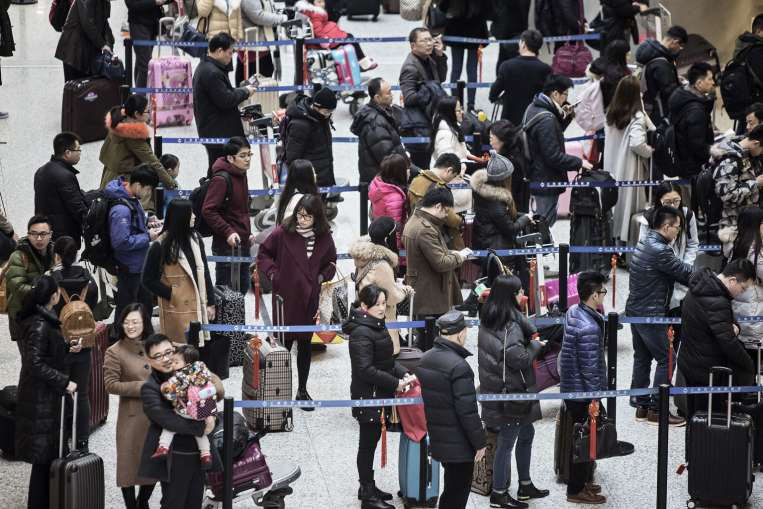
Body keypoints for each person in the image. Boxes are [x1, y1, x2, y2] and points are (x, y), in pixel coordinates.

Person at [257, 194, 337, 405]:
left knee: (305, 345)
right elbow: (263, 254)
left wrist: (321, 276)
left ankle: (302, 390)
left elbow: (331, 262)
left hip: (309, 297)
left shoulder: (324, 236)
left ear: (316, 218)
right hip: (286, 297)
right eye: (300, 215)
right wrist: (274, 274)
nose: (301, 220)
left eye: (307, 217)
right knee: (283, 346)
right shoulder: (283, 232)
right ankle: (279, 391)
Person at [478, 275, 549, 508]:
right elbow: (518, 358)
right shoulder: (510, 326)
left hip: (500, 388)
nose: (523, 296)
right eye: (519, 292)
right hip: (512, 393)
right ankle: (499, 493)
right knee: (506, 444)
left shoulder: (491, 315)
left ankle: (525, 484)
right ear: (511, 296)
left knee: (527, 434)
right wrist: (537, 345)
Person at [343, 284, 411, 509]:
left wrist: (404, 373)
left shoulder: (375, 325)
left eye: (384, 303)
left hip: (377, 394)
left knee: (371, 442)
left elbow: (387, 362)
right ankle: (366, 493)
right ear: (364, 306)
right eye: (377, 304)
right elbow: (365, 370)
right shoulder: (362, 332)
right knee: (367, 444)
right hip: (368, 396)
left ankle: (369, 486)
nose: (382, 308)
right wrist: (396, 384)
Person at [14, 276, 80, 509]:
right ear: (53, 296)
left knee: (46, 460)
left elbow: (43, 355)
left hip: (42, 397)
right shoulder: (41, 324)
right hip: (41, 400)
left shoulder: (41, 319)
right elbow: (34, 363)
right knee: (44, 461)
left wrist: (66, 348)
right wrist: (64, 382)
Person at [138, 333, 222, 509]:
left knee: (194, 501)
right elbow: (169, 421)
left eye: (168, 352)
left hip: (198, 455)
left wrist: (211, 416)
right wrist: (202, 426)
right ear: (149, 360)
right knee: (174, 502)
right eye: (159, 356)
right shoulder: (150, 388)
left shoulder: (189, 370)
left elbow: (216, 391)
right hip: (175, 456)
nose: (166, 359)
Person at [626, 206, 693, 425]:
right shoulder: (661, 250)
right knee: (667, 357)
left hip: (636, 309)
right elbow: (685, 273)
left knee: (642, 357)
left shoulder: (645, 241)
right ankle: (658, 409)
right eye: (677, 227)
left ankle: (641, 406)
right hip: (651, 313)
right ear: (666, 227)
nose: (678, 231)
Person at [416, 311, 486, 509]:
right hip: (460, 445)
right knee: (457, 494)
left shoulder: (425, 359)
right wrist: (480, 443)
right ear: (460, 334)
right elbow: (467, 412)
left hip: (440, 438)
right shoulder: (459, 367)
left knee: (450, 490)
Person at [679, 259, 756, 420]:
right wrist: (749, 365)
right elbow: (728, 342)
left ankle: (694, 443)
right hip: (708, 371)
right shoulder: (717, 300)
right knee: (709, 420)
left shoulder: (701, 286)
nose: (741, 293)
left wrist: (735, 327)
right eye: (742, 288)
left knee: (695, 417)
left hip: (690, 361)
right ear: (732, 280)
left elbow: (721, 325)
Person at [561, 271, 609, 505]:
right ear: (592, 295)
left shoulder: (574, 311)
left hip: (573, 387)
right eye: (602, 292)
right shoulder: (589, 327)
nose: (604, 296)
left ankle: (584, 481)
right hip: (583, 393)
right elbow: (590, 367)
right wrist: (595, 398)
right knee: (584, 440)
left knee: (583, 437)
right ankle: (576, 489)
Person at [141, 199, 216, 349]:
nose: (194, 216)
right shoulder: (160, 245)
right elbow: (148, 279)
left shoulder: (196, 239)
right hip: (176, 309)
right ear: (181, 217)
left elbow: (205, 271)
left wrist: (211, 302)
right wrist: (173, 294)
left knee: (197, 348)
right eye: (191, 213)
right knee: (178, 350)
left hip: (198, 304)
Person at [104, 303, 157, 509]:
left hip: (154, 415)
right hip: (131, 416)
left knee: (152, 464)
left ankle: (142, 502)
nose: (130, 326)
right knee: (128, 464)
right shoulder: (114, 351)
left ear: (144, 323)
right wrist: (141, 387)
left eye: (135, 322)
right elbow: (110, 385)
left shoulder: (153, 346)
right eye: (126, 322)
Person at [402, 187, 467, 351]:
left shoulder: (416, 220)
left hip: (425, 291)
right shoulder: (425, 229)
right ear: (438, 206)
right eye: (446, 211)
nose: (446, 215)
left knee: (425, 340)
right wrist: (460, 257)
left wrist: (449, 252)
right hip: (431, 295)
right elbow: (441, 263)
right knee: (431, 345)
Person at [49, 236, 97, 451]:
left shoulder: (51, 279)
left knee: (59, 392)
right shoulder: (88, 277)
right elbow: (97, 306)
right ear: (76, 254)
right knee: (82, 394)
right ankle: (82, 441)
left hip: (59, 345)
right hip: (84, 342)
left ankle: (60, 441)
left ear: (56, 255)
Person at [524, 74, 592, 227]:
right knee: (544, 225)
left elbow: (550, 136)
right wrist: (579, 162)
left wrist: (565, 116)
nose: (566, 99)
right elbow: (553, 156)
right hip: (545, 177)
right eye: (565, 94)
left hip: (538, 174)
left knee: (541, 222)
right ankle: (540, 251)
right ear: (555, 94)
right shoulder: (547, 119)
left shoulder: (535, 107)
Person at [99, 95, 178, 213]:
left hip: (109, 175)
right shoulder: (132, 134)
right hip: (127, 181)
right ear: (136, 114)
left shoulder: (118, 122)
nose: (150, 113)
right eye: (147, 111)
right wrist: (171, 183)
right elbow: (152, 162)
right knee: (137, 214)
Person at [193, 32, 257, 169]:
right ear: (219, 50)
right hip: (218, 132)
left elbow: (223, 93)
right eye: (230, 52)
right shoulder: (212, 73)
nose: (231, 56)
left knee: (217, 169)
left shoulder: (207, 67)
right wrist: (245, 92)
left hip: (213, 129)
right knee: (221, 170)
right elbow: (226, 99)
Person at [349, 217, 413, 354]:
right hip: (381, 325)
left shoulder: (364, 256)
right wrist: (404, 291)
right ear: (388, 238)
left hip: (366, 320)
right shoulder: (381, 265)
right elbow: (391, 297)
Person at [104, 166, 160, 320]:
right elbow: (121, 242)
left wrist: (147, 221)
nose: (148, 193)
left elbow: (132, 224)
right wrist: (148, 237)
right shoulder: (121, 209)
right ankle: (120, 340)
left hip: (138, 265)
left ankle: (144, 338)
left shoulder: (130, 198)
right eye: (148, 189)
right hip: (129, 267)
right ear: (137, 185)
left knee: (145, 306)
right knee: (127, 310)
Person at [470, 152, 532, 291]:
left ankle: (473, 301)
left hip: (486, 240)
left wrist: (524, 215)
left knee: (487, 276)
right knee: (495, 279)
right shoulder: (495, 201)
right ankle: (475, 301)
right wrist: (526, 218)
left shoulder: (483, 191)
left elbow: (503, 216)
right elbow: (510, 227)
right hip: (495, 244)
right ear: (504, 178)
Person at [604, 75, 655, 244]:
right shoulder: (637, 116)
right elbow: (637, 144)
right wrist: (650, 151)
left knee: (614, 206)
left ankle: (614, 244)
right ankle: (626, 246)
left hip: (612, 166)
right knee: (629, 208)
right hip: (630, 168)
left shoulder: (611, 113)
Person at [201, 137, 254, 293]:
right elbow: (208, 210)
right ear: (230, 158)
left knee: (242, 289)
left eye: (249, 154)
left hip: (242, 243)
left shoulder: (241, 173)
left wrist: (247, 233)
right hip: (227, 247)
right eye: (243, 156)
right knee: (226, 295)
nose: (247, 159)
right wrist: (228, 231)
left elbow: (240, 209)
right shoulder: (221, 179)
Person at [152, 345, 216, 467]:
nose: (173, 364)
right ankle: (206, 455)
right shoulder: (203, 371)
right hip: (202, 411)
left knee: (169, 428)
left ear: (187, 363)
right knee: (200, 434)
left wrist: (164, 388)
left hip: (185, 412)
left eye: (176, 362)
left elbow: (170, 395)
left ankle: (163, 448)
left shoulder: (179, 376)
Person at [638, 182, 699, 309]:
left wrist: (685, 265)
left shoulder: (687, 215)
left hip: (681, 275)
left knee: (678, 313)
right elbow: (643, 248)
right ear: (659, 200)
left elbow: (693, 243)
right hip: (656, 277)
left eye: (676, 201)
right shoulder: (649, 217)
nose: (672, 206)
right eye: (667, 202)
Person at [399, 27, 448, 169]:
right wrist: (429, 90)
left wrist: (439, 56)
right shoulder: (410, 67)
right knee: (420, 166)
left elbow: (441, 79)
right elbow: (408, 98)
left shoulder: (429, 59)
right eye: (424, 40)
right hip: (418, 125)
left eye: (430, 40)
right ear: (413, 45)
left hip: (430, 118)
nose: (429, 44)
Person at [6, 215, 55, 352]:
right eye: (34, 234)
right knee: (31, 362)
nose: (39, 238)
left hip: (48, 315)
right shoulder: (18, 256)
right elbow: (18, 287)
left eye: (43, 234)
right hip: (25, 318)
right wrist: (43, 291)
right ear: (28, 234)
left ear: (50, 235)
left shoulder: (55, 252)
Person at [34, 132, 88, 249]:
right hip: (64, 236)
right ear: (67, 153)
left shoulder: (41, 171)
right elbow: (77, 208)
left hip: (45, 230)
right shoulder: (65, 175)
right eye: (78, 150)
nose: (80, 153)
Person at [350, 77, 407, 184]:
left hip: (384, 178)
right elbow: (388, 157)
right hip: (383, 183)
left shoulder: (384, 113)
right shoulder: (375, 123)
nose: (392, 95)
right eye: (388, 93)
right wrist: (408, 169)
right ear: (377, 97)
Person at [489, 29, 551, 127]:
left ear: (523, 44)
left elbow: (493, 92)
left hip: (510, 120)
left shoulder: (507, 66)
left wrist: (498, 98)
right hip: (534, 120)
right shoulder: (545, 69)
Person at [712, 125, 763, 243]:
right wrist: (755, 184)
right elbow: (727, 194)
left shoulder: (747, 155)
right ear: (755, 143)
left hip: (749, 218)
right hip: (733, 223)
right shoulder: (729, 160)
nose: (761, 154)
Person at [407, 152, 468, 250]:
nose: (451, 180)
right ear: (449, 170)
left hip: (415, 233)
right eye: (453, 176)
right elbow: (450, 219)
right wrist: (460, 220)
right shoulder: (439, 188)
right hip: (437, 239)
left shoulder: (416, 180)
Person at [295, 0, 378, 71]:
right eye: (318, 2)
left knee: (350, 38)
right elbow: (318, 30)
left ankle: (362, 61)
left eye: (322, 2)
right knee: (351, 40)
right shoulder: (316, 14)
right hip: (328, 38)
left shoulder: (313, 12)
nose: (321, 4)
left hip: (329, 33)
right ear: (313, 3)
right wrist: (324, 41)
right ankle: (363, 63)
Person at [668, 62, 716, 179]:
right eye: (709, 79)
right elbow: (697, 144)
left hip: (682, 160)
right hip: (694, 167)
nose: (713, 82)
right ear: (699, 83)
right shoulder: (696, 111)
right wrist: (711, 150)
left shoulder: (681, 95)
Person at [283, 87, 338, 187]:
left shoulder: (320, 117)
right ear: (316, 106)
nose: (329, 115)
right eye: (326, 111)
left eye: (331, 112)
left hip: (323, 176)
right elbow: (292, 158)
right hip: (310, 182)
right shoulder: (301, 124)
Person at [635, 25, 688, 123]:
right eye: (680, 46)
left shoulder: (653, 55)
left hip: (650, 108)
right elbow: (670, 92)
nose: (680, 49)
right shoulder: (661, 64)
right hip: (661, 113)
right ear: (674, 42)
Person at [442, 1, 489, 112]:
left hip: (456, 29)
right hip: (475, 29)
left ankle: (455, 103)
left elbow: (443, 6)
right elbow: (487, 8)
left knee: (456, 68)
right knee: (472, 69)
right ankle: (471, 105)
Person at [54, 0, 114, 81]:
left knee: (86, 89)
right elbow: (87, 22)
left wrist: (109, 44)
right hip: (74, 50)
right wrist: (102, 44)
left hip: (85, 49)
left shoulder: (104, 2)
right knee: (75, 89)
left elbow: (105, 23)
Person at [729, 207, 763, 345]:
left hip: (743, 307)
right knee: (753, 359)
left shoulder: (740, 243)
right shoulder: (755, 249)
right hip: (753, 310)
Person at [238, 0, 286, 84]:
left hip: (260, 47)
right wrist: (283, 18)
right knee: (256, 88)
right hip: (253, 49)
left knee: (264, 84)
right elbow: (258, 16)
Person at [489, 119, 530, 213]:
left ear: (501, 139)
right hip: (518, 209)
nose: (490, 142)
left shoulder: (507, 162)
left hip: (510, 212)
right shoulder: (516, 154)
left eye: (491, 138)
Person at [368, 154, 408, 247]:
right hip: (390, 243)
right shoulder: (394, 197)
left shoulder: (377, 184)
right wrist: (397, 251)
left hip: (380, 234)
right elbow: (395, 227)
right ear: (400, 172)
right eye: (406, 168)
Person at [430, 96, 481, 167]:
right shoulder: (445, 134)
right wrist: (464, 167)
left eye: (461, 109)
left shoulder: (453, 129)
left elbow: (459, 152)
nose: (462, 112)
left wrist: (477, 159)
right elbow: (447, 163)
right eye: (458, 110)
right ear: (449, 113)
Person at [731, 14, 763, 128]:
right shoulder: (757, 50)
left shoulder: (743, 46)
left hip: (745, 104)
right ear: (759, 30)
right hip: (757, 107)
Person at [126, 0, 166, 89]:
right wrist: (154, 2)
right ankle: (141, 99)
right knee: (145, 65)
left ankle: (138, 96)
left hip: (152, 24)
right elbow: (131, 4)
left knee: (142, 62)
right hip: (139, 24)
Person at [490, 0, 531, 71]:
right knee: (508, 60)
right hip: (513, 30)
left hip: (509, 31)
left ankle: (503, 79)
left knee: (505, 60)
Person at [275, 159, 319, 225]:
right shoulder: (302, 201)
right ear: (306, 177)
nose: (315, 175)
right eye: (313, 172)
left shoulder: (288, 195)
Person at [596, 39, 631, 110]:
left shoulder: (616, 69)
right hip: (616, 112)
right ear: (620, 56)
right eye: (627, 54)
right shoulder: (615, 74)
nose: (629, 56)